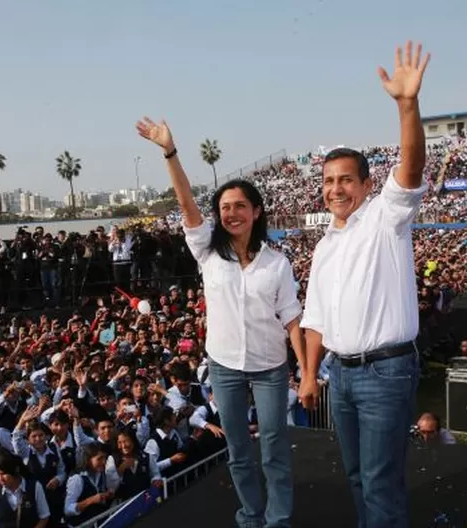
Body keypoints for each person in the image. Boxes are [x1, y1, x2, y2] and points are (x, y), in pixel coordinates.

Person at [136, 116, 306, 528]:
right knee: (239, 452)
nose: (231, 213)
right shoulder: (207, 253)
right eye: (224, 208)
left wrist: (306, 371)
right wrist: (170, 153)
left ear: (256, 211)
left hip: (269, 368)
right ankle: (250, 516)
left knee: (274, 447)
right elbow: (186, 205)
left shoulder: (277, 263)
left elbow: (292, 320)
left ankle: (278, 519)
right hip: (225, 367)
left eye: (239, 206)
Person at [298, 41, 431, 528]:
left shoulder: (385, 219)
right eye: (329, 181)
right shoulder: (323, 247)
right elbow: (315, 321)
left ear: (366, 185)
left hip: (386, 373)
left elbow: (412, 169)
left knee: (379, 479)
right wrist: (311, 375)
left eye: (346, 180)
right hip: (341, 376)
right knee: (355, 476)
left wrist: (407, 105)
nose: (336, 189)